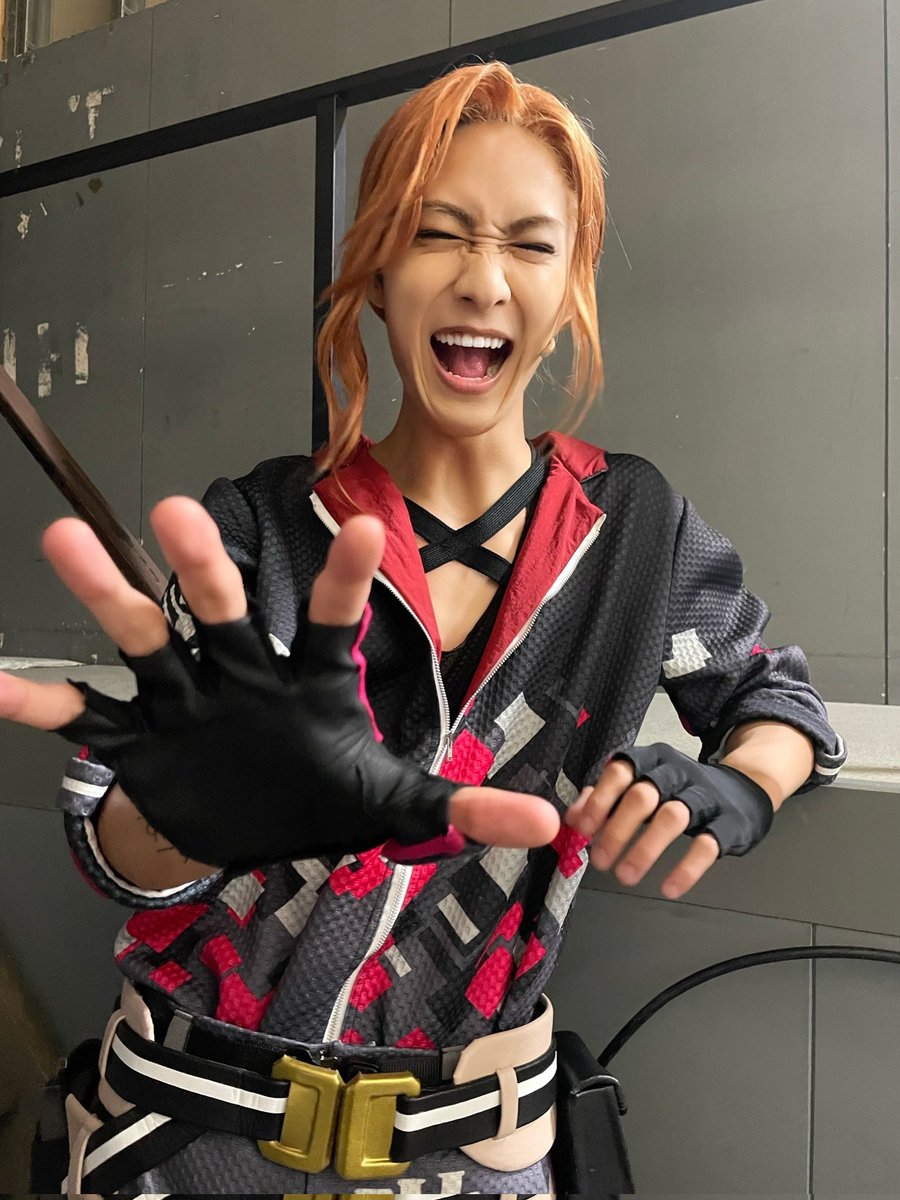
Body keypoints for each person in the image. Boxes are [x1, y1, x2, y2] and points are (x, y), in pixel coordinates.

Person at [0, 61, 845, 1197]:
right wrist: (193, 820)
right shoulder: (257, 529)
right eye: (438, 233)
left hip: (472, 1154)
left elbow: (774, 697)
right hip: (186, 1141)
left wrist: (742, 785)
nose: (483, 282)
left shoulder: (635, 533)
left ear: (571, 289)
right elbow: (123, 853)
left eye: (531, 246)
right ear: (378, 272)